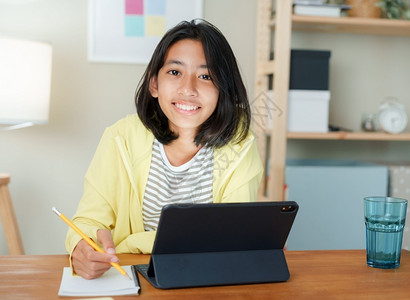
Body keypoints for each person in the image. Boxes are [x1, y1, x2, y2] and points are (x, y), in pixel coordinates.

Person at [65, 19, 263, 279]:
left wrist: (138, 241)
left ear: (222, 91)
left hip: (205, 280)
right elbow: (89, 221)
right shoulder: (120, 137)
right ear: (154, 84)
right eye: (175, 72)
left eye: (206, 76)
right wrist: (82, 247)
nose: (188, 89)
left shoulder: (240, 145)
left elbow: (231, 240)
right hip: (133, 277)